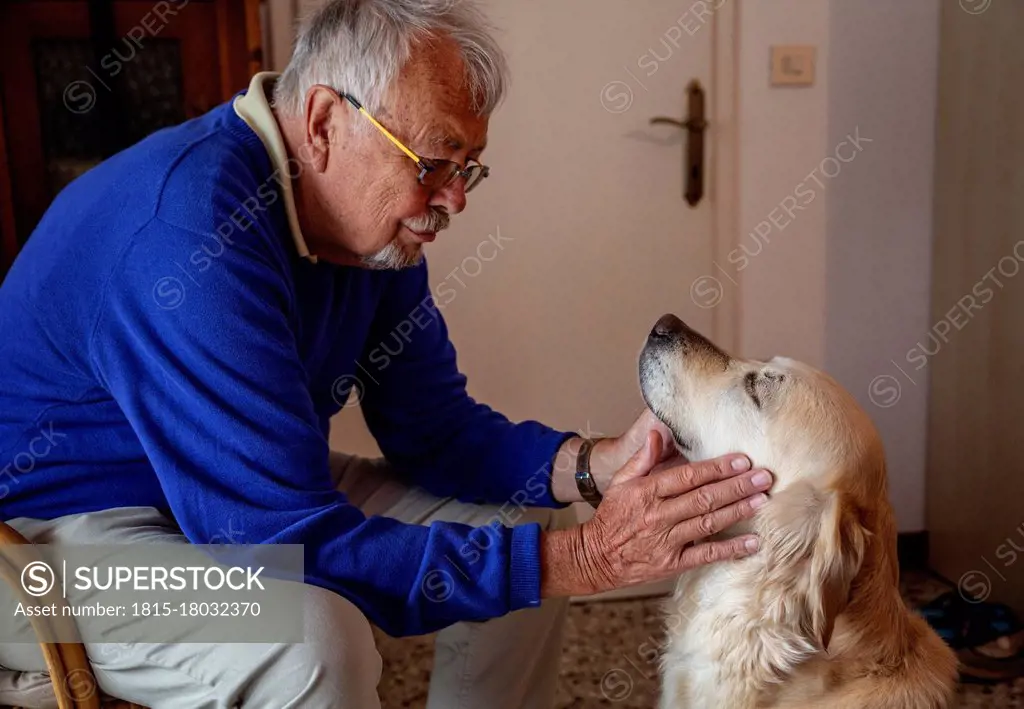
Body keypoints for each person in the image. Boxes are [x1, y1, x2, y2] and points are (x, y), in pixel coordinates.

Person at [0, 1, 772, 706]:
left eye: (466, 166)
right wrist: (590, 559)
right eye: (432, 162)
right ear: (327, 120)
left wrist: (593, 464)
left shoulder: (370, 235)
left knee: (527, 512)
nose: (455, 198)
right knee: (311, 636)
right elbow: (278, 543)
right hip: (48, 535)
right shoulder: (189, 233)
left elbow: (431, 428)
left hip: (231, 486)